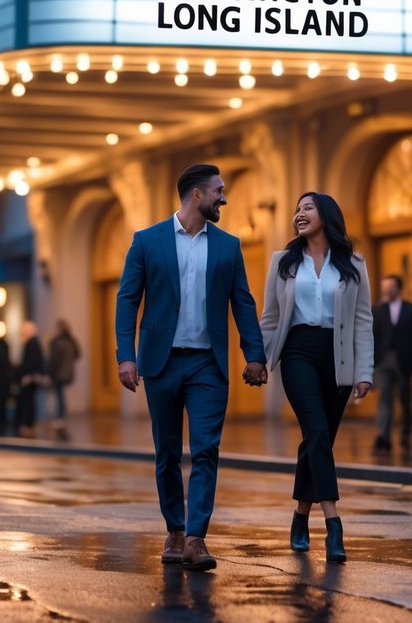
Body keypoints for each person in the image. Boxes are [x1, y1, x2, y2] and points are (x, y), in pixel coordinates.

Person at [115, 163, 267, 571]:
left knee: (205, 449)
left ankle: (197, 538)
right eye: (219, 191)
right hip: (161, 364)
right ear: (196, 195)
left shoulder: (228, 246)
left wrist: (255, 354)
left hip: (207, 364)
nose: (224, 197)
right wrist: (125, 355)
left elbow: (243, 302)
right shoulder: (147, 241)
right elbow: (127, 299)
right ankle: (175, 530)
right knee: (166, 452)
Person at [259, 191, 373, 563]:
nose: (298, 215)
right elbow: (271, 317)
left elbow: (362, 321)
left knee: (317, 440)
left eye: (307, 208)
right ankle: (334, 524)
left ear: (327, 215)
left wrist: (364, 372)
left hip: (338, 356)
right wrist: (258, 359)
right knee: (318, 432)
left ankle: (299, 518)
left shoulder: (353, 264)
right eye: (296, 209)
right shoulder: (283, 262)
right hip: (298, 351)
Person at [372, 274, 412, 453]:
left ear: (398, 288)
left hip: (405, 360)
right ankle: (384, 436)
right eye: (384, 287)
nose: (387, 290)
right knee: (384, 398)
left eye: (390, 287)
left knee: (405, 399)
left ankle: (405, 435)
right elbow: (372, 336)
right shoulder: (377, 310)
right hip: (383, 360)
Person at [47, 319, 81, 439]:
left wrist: (50, 374)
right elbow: (78, 354)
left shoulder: (57, 342)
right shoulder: (71, 341)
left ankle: (59, 419)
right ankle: (61, 419)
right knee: (61, 396)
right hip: (67, 373)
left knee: (59, 396)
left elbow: (53, 361)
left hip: (58, 373)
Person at [15, 321, 46, 437]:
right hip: (32, 377)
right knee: (29, 402)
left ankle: (28, 425)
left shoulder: (32, 343)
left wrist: (28, 375)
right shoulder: (33, 343)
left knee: (28, 402)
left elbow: (32, 361)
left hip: (30, 378)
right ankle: (28, 425)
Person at [0, 335, 14, 436]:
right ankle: (2, 425)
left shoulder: (1, 354)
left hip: (2, 385)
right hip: (4, 384)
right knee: (2, 406)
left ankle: (2, 425)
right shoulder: (5, 353)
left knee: (1, 406)